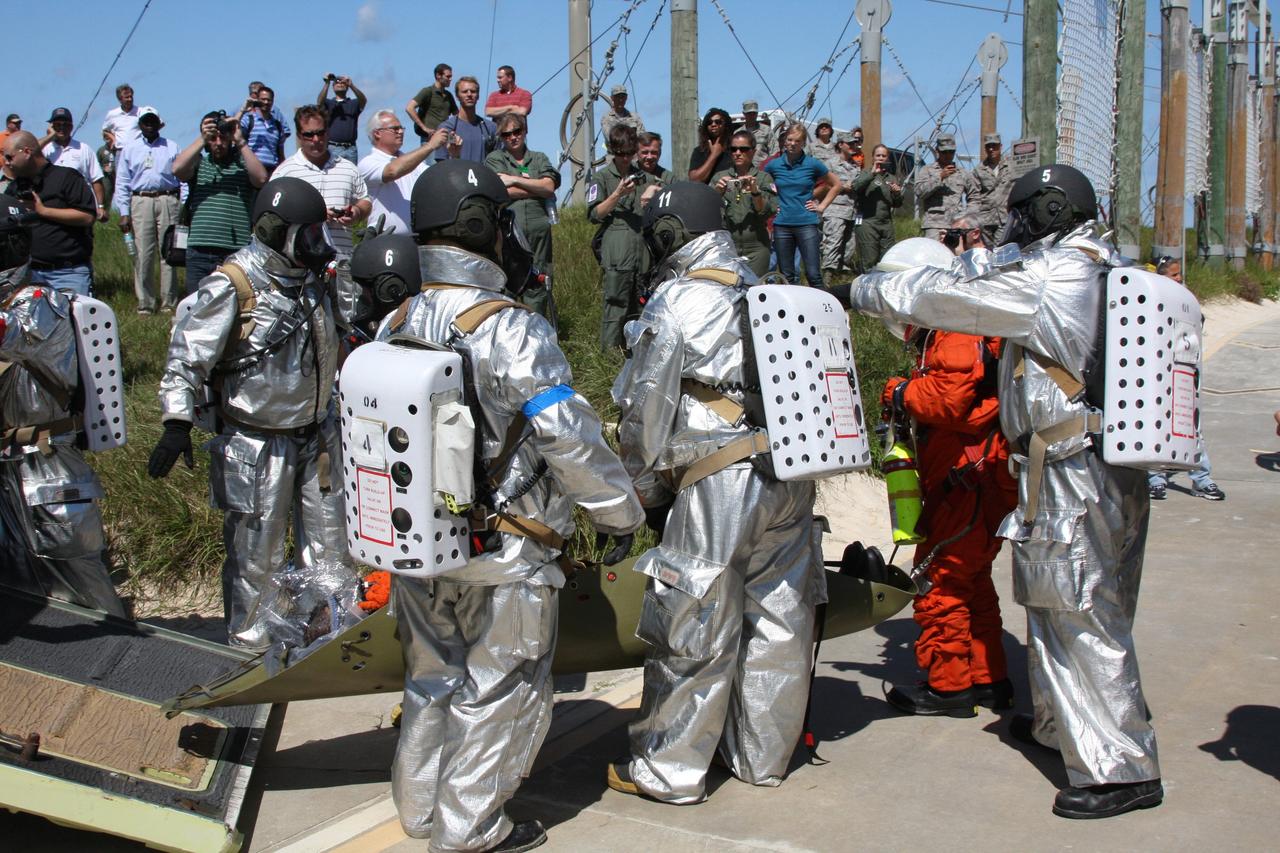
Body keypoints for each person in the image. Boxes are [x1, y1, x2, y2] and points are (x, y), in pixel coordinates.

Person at [847, 164, 1164, 820]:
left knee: (1078, 610)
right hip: (1105, 462)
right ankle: (1057, 724)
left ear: (1048, 211)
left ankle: (1122, 767)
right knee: (1061, 605)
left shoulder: (1056, 275)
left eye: (1021, 214)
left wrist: (867, 286)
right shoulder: (1108, 269)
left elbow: (944, 301)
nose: (1012, 228)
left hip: (1072, 465)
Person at [379, 160, 643, 852]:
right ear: (478, 226)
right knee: (500, 688)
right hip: (508, 552)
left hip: (421, 549)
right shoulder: (510, 328)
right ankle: (468, 830)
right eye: (499, 221)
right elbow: (565, 432)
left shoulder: (396, 316)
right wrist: (619, 514)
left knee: (430, 678)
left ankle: (420, 812)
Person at [607, 180, 824, 805]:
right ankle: (762, 758)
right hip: (789, 476)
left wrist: (641, 491)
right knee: (779, 623)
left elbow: (644, 408)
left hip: (716, 480)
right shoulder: (768, 288)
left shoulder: (676, 300)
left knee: (693, 623)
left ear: (673, 232)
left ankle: (668, 771)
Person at [150, 176, 352, 651]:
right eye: (307, 234)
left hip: (317, 436)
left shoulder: (315, 279)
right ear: (275, 230)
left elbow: (353, 321)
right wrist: (176, 422)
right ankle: (250, 647)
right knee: (254, 556)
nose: (315, 243)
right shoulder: (233, 285)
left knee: (329, 549)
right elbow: (185, 359)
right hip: (256, 443)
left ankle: (321, 639)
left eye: (317, 232)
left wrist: (342, 274)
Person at [879, 235, 1019, 717]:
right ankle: (987, 679)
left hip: (967, 474)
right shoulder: (963, 321)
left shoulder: (956, 325)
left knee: (940, 582)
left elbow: (951, 399)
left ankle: (949, 687)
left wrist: (898, 394)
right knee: (971, 582)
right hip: (979, 473)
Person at [0, 193, 125, 617]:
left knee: (85, 584)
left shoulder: (39, 304)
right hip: (9, 467)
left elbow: (8, 335)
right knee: (21, 591)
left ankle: (127, 664)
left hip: (48, 468)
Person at [272, 104, 372, 327]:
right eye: (309, 134)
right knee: (304, 328)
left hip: (341, 263)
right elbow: (274, 217)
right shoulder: (286, 171)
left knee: (344, 326)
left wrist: (355, 212)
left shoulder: (347, 168)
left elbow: (365, 201)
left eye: (321, 133)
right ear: (299, 136)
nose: (316, 139)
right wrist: (314, 216)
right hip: (301, 268)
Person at [1147, 256, 1225, 501]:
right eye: (1173, 275)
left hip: (1184, 374)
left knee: (1191, 427)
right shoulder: (1151, 300)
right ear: (1160, 276)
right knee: (1155, 427)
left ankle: (1201, 479)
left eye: (1179, 274)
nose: (1179, 278)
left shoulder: (1187, 301)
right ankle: (1155, 479)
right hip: (1156, 377)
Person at [172, 111, 268, 289]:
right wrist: (202, 138)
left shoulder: (242, 165)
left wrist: (240, 141)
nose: (218, 143)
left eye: (223, 138)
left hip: (235, 251)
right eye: (213, 139)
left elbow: (261, 179)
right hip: (199, 250)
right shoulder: (200, 164)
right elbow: (177, 169)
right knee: (197, 308)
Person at [587, 124, 661, 350]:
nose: (626, 158)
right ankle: (609, 357)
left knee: (642, 305)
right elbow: (594, 214)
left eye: (630, 153)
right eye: (621, 154)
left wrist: (654, 194)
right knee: (616, 304)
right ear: (612, 151)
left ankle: (638, 354)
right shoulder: (601, 178)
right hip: (617, 247)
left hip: (642, 249)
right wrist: (617, 194)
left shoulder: (645, 177)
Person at [485, 113, 561, 322]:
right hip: (510, 232)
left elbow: (549, 186)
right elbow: (501, 192)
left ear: (524, 131)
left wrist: (513, 179)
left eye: (517, 131)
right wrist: (535, 187)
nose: (513, 137)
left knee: (539, 281)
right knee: (508, 282)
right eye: (507, 134)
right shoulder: (495, 159)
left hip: (538, 231)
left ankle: (537, 329)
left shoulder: (539, 158)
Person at [4, 131, 97, 296]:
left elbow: (87, 216)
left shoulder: (67, 178)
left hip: (67, 273)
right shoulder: (14, 188)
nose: (6, 163)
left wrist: (43, 211)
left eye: (10, 157)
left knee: (73, 320)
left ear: (26, 152)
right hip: (27, 275)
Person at [113, 106, 182, 313]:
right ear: (140, 124)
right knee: (144, 252)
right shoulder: (130, 148)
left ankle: (169, 302)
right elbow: (122, 181)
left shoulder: (172, 146)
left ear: (159, 123)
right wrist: (124, 212)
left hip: (168, 199)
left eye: (153, 121)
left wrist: (183, 204)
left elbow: (183, 177)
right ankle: (146, 302)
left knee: (168, 252)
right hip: (141, 201)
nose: (149, 125)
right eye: (145, 121)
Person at [763, 123, 839, 287]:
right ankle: (792, 310)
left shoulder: (812, 164)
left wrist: (821, 207)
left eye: (797, 141)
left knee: (813, 274)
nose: (792, 144)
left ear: (803, 143)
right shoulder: (774, 165)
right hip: (782, 224)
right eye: (790, 140)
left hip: (806, 223)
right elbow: (760, 184)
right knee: (786, 275)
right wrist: (769, 206)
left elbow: (836, 185)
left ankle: (822, 309)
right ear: (784, 141)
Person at [358, 109, 448, 238]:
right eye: (395, 129)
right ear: (377, 133)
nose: (400, 132)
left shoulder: (413, 163)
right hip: (383, 242)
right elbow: (392, 171)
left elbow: (437, 179)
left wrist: (453, 155)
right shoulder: (368, 162)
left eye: (401, 128)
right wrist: (430, 146)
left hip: (413, 243)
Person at [712, 129, 777, 276]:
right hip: (728, 247)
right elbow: (708, 212)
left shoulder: (764, 178)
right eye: (733, 149)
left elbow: (769, 211)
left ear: (753, 151)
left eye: (743, 149)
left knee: (754, 290)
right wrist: (717, 193)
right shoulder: (719, 178)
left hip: (756, 248)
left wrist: (755, 192)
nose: (738, 153)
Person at [40, 108, 108, 222]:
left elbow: (96, 180)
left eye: (65, 125)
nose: (61, 128)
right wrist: (49, 137)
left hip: (79, 206)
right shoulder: (44, 150)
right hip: (52, 205)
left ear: (71, 127)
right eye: (57, 125)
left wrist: (100, 206)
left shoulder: (84, 149)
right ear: (51, 126)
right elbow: (29, 153)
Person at [850, 143, 904, 273]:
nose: (880, 158)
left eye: (883, 156)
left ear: (887, 158)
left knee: (887, 260)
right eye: (878, 155)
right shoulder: (865, 173)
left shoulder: (891, 178)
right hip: (867, 222)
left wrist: (897, 193)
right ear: (873, 157)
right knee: (869, 260)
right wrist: (872, 174)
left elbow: (897, 204)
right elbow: (856, 187)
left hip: (886, 224)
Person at [916, 133, 972, 240]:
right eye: (944, 152)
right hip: (934, 225)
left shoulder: (962, 173)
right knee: (934, 255)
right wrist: (939, 177)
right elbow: (919, 192)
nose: (948, 155)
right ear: (937, 151)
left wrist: (967, 217)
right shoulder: (927, 170)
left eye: (951, 152)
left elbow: (974, 196)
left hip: (957, 224)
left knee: (955, 255)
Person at [820, 138, 859, 279]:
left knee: (849, 245)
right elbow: (822, 185)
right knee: (833, 243)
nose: (854, 146)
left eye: (856, 143)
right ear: (841, 144)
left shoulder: (855, 165)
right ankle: (828, 276)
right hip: (835, 209)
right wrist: (842, 186)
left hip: (852, 210)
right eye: (850, 143)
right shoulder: (830, 163)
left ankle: (843, 275)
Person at [437, 76, 498, 163]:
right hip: (456, 175)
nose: (469, 94)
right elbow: (441, 163)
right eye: (465, 92)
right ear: (457, 96)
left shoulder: (490, 128)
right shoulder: (448, 128)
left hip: (482, 175)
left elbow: (498, 162)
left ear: (478, 96)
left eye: (473, 91)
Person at [970, 133, 1012, 246]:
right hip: (985, 219)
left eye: (994, 146)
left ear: (1001, 146)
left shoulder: (1011, 165)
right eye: (988, 146)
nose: (991, 149)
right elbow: (974, 196)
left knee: (1000, 248)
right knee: (987, 251)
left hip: (1005, 216)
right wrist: (974, 219)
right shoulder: (979, 170)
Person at [318, 74, 368, 164]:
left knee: (351, 175)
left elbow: (363, 100)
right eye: (337, 82)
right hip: (333, 147)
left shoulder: (353, 103)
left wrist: (351, 85)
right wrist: (327, 83)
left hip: (351, 149)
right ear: (333, 87)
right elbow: (320, 102)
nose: (340, 84)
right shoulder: (329, 103)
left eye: (343, 83)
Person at [238, 85, 289, 172]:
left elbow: (280, 152)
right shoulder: (249, 119)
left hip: (272, 170)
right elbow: (233, 128)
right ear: (257, 100)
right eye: (263, 99)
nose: (266, 102)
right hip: (252, 170)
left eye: (269, 100)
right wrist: (243, 110)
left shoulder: (277, 125)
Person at [406, 63, 458, 143]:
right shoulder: (427, 91)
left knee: (457, 153)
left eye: (451, 76)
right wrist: (424, 128)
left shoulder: (449, 95)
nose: (450, 79)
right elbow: (409, 108)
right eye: (448, 76)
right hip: (429, 139)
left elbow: (457, 116)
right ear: (438, 76)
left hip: (446, 138)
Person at [687, 108, 733, 184]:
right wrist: (714, 155)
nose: (713, 124)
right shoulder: (699, 151)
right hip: (706, 194)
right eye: (709, 122)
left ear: (726, 125)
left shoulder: (735, 150)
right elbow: (694, 180)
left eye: (718, 122)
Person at [101, 84, 140, 153]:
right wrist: (113, 139)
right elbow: (105, 130)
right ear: (120, 99)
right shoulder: (113, 114)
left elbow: (159, 124)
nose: (130, 99)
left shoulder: (140, 112)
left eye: (131, 96)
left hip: (138, 150)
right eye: (127, 97)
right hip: (121, 151)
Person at [740, 100, 772, 168]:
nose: (752, 116)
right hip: (744, 170)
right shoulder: (738, 133)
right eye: (749, 113)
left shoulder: (767, 130)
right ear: (744, 114)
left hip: (763, 170)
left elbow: (774, 152)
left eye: (754, 113)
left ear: (757, 113)